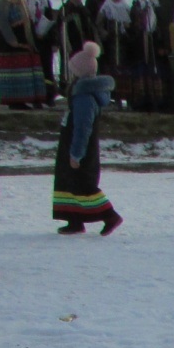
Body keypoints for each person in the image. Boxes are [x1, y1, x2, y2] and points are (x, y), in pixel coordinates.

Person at [52, 42, 122, 236]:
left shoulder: (84, 96)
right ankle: (74, 220)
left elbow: (83, 127)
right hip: (73, 142)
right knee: (70, 182)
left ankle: (110, 215)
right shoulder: (81, 92)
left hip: (79, 145)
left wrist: (76, 153)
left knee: (83, 183)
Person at [0, 0, 46, 109]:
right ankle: (16, 101)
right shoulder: (3, 0)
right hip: (11, 41)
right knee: (14, 71)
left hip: (26, 37)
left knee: (30, 68)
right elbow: (3, 23)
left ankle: (34, 97)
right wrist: (13, 41)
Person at [128, 0, 163, 110]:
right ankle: (140, 101)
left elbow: (158, 23)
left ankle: (155, 101)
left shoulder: (153, 5)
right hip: (139, 43)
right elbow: (133, 25)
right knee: (140, 70)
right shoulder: (135, 7)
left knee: (153, 70)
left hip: (152, 41)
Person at [58, 0, 95, 94]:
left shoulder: (83, 10)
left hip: (83, 43)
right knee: (71, 66)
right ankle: (69, 88)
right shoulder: (65, 10)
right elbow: (60, 28)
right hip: (71, 43)